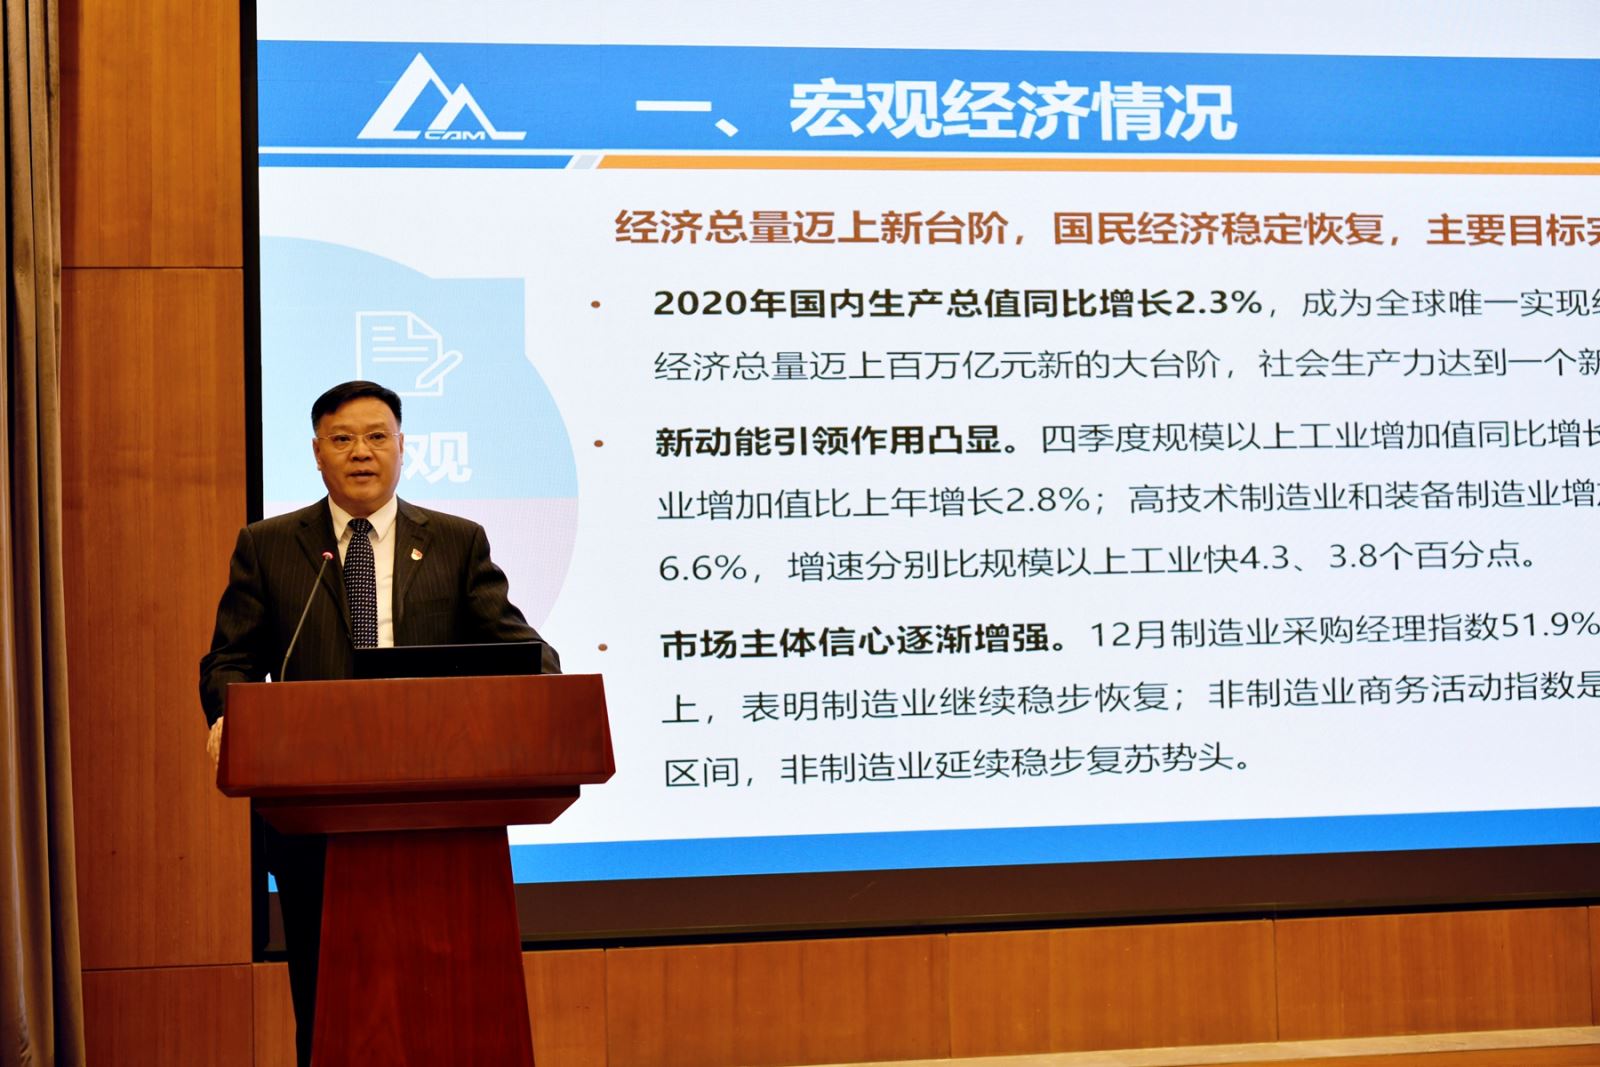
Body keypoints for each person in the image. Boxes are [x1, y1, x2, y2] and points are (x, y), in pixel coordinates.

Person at [199, 380, 558, 1067]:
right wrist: (229, 713)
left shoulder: (455, 542)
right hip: (313, 809)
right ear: (317, 452)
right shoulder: (269, 546)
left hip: (441, 810)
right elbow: (230, 659)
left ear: (402, 446)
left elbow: (518, 646)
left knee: (452, 998)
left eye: (376, 437)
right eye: (342, 439)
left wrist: (547, 696)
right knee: (328, 997)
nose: (361, 452)